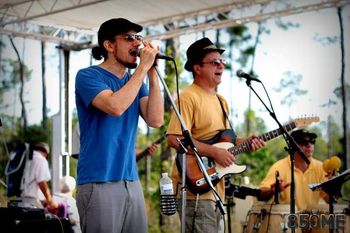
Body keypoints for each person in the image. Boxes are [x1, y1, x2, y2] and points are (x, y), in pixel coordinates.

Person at [166, 37, 265, 233]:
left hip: (215, 189)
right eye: (214, 62)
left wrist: (248, 142)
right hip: (195, 190)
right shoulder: (187, 97)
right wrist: (214, 152)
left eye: (222, 62)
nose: (220, 65)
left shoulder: (221, 101)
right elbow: (174, 138)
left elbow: (226, 141)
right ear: (197, 68)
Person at [75, 18, 163, 233]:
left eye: (139, 38)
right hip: (99, 180)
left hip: (130, 180)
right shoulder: (88, 75)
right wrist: (142, 68)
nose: (137, 44)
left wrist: (152, 75)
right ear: (109, 45)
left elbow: (156, 120)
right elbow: (115, 106)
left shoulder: (136, 82)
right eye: (129, 38)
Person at [258, 129, 329, 211]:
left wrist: (335, 185)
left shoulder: (321, 167)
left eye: (312, 141)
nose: (309, 145)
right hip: (287, 221)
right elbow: (261, 195)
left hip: (312, 221)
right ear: (292, 146)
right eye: (304, 142)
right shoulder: (279, 167)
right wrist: (272, 191)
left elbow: (329, 200)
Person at [20, 142, 58, 210]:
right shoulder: (40, 159)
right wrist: (50, 201)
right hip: (31, 201)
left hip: (19, 199)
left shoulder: (26, 159)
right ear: (46, 153)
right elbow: (41, 182)